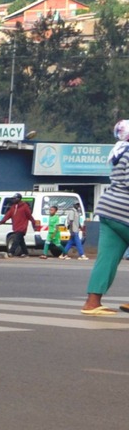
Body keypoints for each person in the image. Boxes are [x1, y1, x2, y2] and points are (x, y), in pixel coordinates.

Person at [81, 122, 129, 314]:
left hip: (109, 210)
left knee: (106, 258)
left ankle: (92, 303)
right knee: (106, 258)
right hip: (125, 210)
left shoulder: (120, 152)